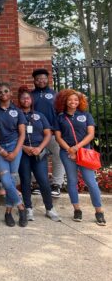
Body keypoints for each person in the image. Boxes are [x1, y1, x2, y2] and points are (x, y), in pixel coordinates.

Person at [54, 89, 106, 226]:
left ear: (80, 101)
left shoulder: (86, 115)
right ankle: (77, 210)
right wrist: (69, 150)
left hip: (84, 152)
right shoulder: (60, 117)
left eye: (76, 100)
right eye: (70, 100)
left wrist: (76, 148)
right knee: (72, 181)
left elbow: (90, 134)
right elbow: (58, 137)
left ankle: (99, 211)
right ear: (65, 101)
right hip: (66, 153)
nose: (73, 102)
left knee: (91, 182)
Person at [18, 87, 61, 222]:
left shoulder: (40, 115)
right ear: (19, 100)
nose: (26, 100)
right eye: (23, 98)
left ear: (31, 100)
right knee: (25, 181)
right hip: (23, 152)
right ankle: (28, 208)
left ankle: (49, 208)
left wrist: (40, 148)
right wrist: (23, 147)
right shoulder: (16, 115)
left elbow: (48, 133)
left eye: (28, 98)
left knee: (43, 181)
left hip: (39, 152)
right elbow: (13, 135)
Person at [0, 83, 28, 227]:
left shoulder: (17, 111)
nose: (3, 93)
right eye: (0, 92)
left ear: (11, 93)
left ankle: (8, 213)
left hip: (14, 147)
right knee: (6, 182)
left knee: (11, 181)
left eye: (6, 91)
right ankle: (21, 207)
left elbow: (22, 134)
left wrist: (15, 151)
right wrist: (0, 150)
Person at [31, 69, 64, 197]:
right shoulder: (31, 95)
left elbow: (60, 113)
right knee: (36, 158)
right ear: (34, 80)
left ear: (48, 79)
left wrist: (57, 129)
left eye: (44, 78)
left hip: (52, 132)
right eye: (38, 79)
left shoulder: (55, 95)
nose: (41, 81)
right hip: (36, 133)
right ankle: (36, 183)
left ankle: (56, 184)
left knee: (58, 157)